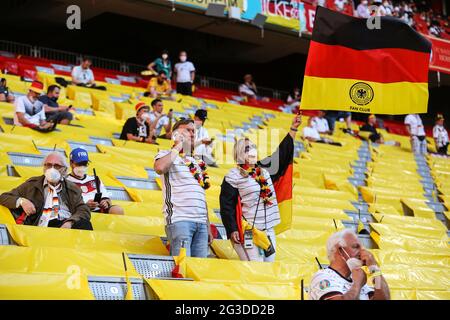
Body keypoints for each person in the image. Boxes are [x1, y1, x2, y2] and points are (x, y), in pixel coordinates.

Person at [219, 114, 302, 262]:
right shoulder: (233, 176)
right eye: (247, 148)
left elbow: (281, 154)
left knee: (269, 266)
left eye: (253, 147)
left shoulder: (264, 169)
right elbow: (227, 206)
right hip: (249, 230)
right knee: (255, 267)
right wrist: (232, 229)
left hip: (268, 229)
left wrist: (293, 128)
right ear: (239, 154)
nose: (251, 150)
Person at [153, 118, 213, 257]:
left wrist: (208, 226)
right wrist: (178, 145)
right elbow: (160, 168)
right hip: (180, 220)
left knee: (199, 270)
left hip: (201, 223)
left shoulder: (198, 162)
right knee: (182, 268)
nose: (192, 134)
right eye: (188, 130)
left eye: (194, 131)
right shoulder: (165, 154)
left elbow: (201, 196)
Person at [0, 152, 92, 230]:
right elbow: (4, 197)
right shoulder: (32, 184)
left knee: (85, 224)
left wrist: (70, 222)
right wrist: (22, 201)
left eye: (56, 166)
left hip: (65, 224)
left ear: (64, 169)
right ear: (44, 167)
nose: (52, 169)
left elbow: (83, 210)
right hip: (42, 224)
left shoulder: (73, 188)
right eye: (48, 165)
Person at [309, 229, 390, 300]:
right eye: (356, 247)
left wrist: (374, 269)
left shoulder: (358, 280)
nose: (363, 251)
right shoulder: (322, 277)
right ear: (340, 250)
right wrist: (357, 285)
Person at [66, 148, 124, 215]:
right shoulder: (65, 181)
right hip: (78, 212)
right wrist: (84, 206)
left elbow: (107, 199)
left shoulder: (95, 179)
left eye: (84, 164)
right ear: (71, 163)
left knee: (117, 210)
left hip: (99, 210)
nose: (82, 167)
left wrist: (105, 203)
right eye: (79, 164)